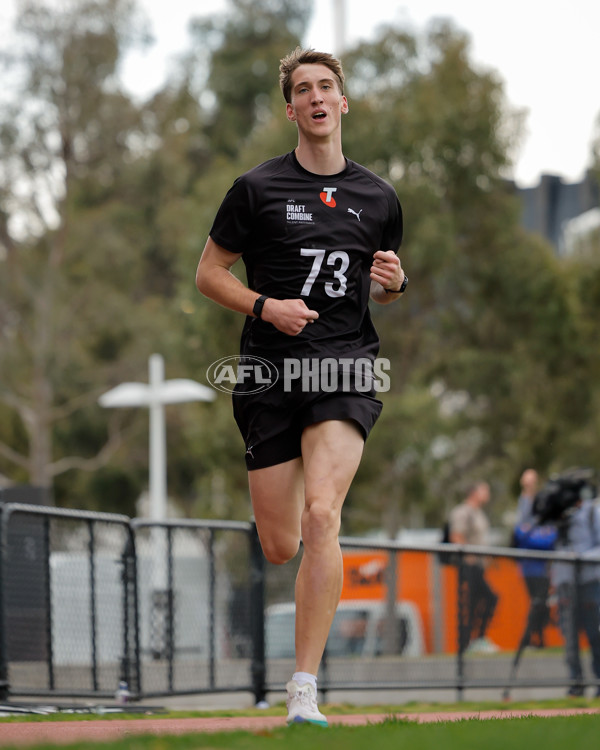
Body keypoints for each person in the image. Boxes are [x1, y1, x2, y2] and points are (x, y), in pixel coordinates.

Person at [195, 47, 405, 726]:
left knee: (323, 516)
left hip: (344, 367)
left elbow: (388, 282)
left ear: (343, 102)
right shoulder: (255, 190)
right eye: (303, 90)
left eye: (327, 87)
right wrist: (265, 306)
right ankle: (304, 671)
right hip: (268, 374)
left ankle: (304, 688)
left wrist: (395, 284)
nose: (316, 97)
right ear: (291, 109)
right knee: (282, 542)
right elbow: (209, 274)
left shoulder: (379, 197)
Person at [551, 491, 600, 697]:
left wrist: (580, 557)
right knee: (569, 636)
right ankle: (575, 683)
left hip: (590, 582)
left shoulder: (592, 513)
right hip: (566, 584)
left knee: (595, 635)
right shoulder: (558, 519)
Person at [449, 481, 499, 654]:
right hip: (469, 566)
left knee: (485, 601)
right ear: (474, 492)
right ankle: (466, 644)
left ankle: (477, 639)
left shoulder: (479, 513)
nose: (487, 493)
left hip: (479, 567)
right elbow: (456, 536)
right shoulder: (463, 512)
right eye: (484, 490)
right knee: (471, 605)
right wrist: (472, 556)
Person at [512, 469, 555, 650]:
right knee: (537, 602)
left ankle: (538, 639)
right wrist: (539, 538)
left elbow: (550, 537)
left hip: (543, 565)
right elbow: (521, 533)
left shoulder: (541, 503)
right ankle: (528, 640)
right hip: (529, 565)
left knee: (542, 603)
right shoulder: (523, 504)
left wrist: (540, 537)